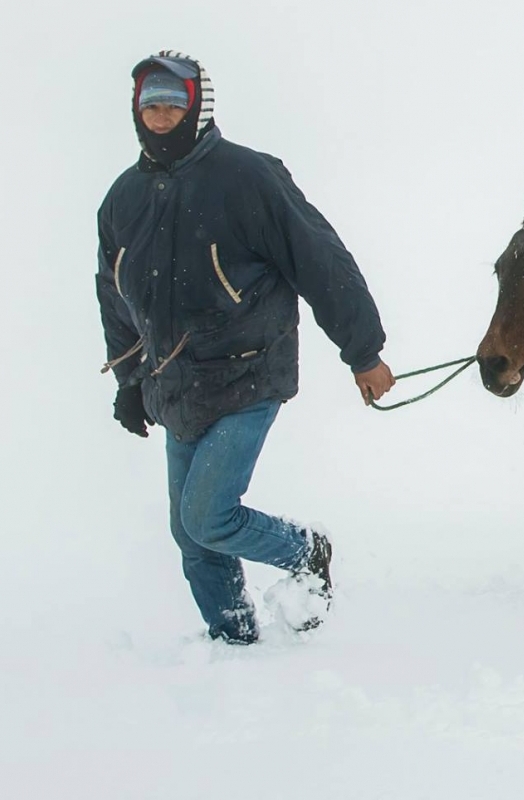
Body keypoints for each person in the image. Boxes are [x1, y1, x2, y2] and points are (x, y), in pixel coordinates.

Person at [95, 51, 395, 643]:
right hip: (174, 383)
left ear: (195, 108)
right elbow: (116, 297)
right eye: (150, 105)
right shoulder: (122, 200)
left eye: (172, 105)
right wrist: (129, 385)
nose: (160, 117)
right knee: (190, 535)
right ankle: (235, 642)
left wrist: (363, 351)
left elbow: (320, 259)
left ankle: (306, 551)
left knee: (207, 516)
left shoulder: (246, 176)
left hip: (247, 372)